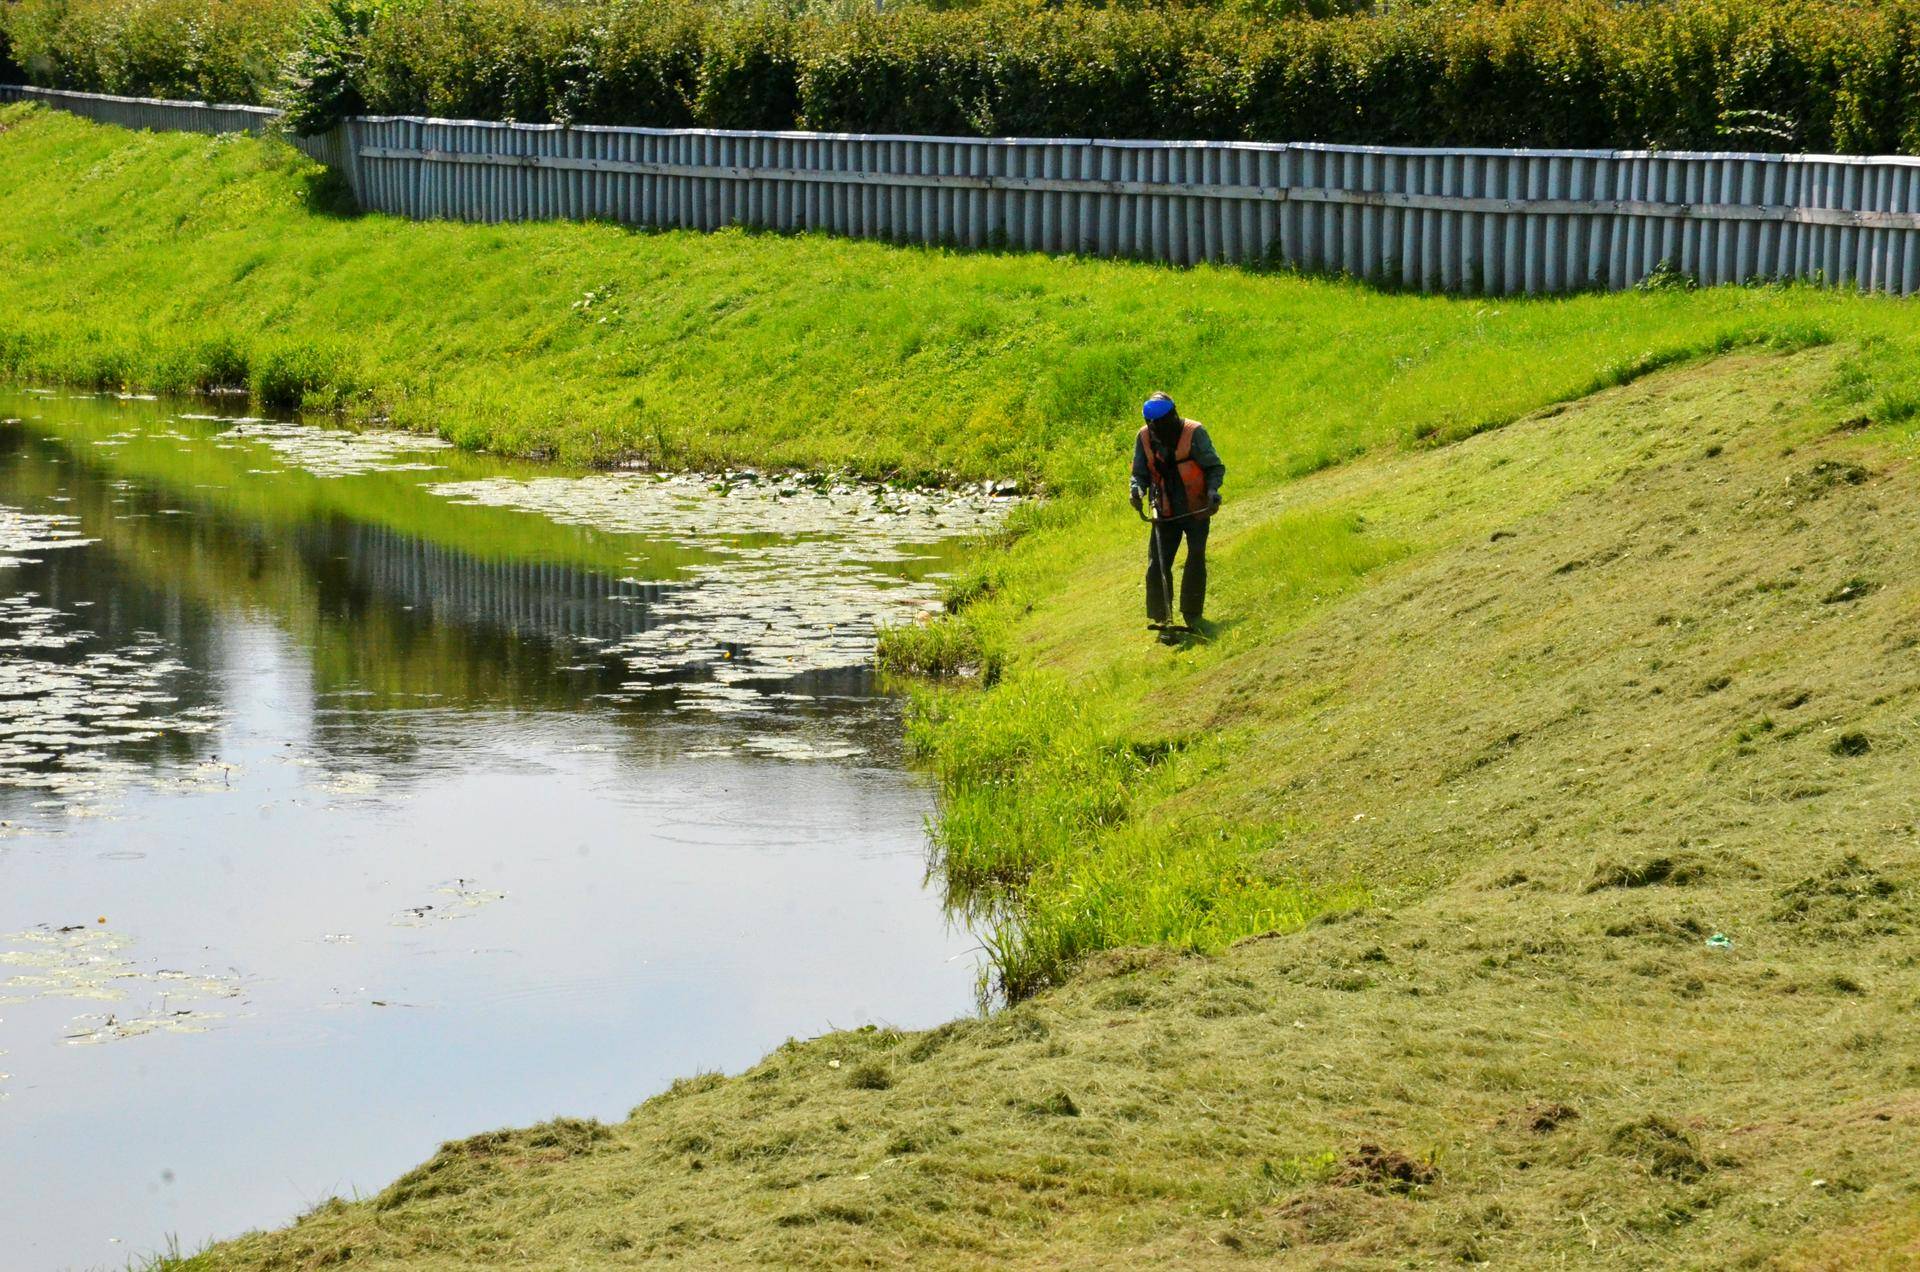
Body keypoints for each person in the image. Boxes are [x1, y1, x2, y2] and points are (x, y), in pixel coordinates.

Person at [1130, 392, 1224, 634]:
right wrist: (1137, 491)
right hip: (1164, 511)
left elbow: (1214, 466)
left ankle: (1192, 615)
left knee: (1195, 557)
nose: (1159, 429)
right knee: (1157, 564)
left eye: (1163, 423)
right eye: (1154, 425)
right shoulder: (1144, 438)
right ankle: (1162, 618)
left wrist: (1213, 491)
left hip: (1197, 507)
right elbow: (1139, 473)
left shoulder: (1194, 432)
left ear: (1173, 415)